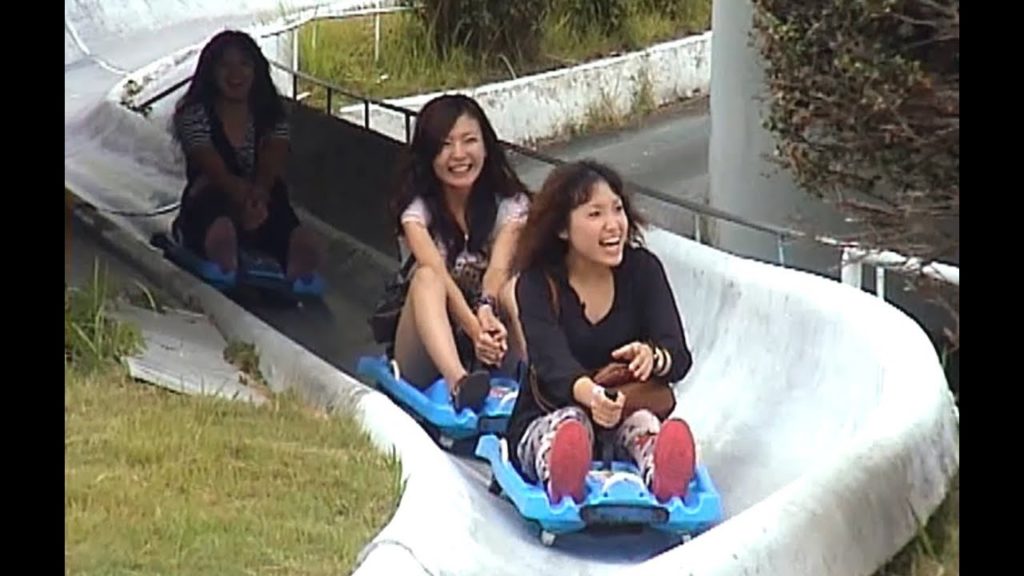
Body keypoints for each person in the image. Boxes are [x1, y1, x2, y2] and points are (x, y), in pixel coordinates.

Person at [504, 159, 697, 505]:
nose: (613, 225)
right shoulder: (537, 283)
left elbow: (678, 355)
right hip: (552, 411)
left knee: (643, 423)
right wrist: (593, 396)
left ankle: (665, 474)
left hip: (624, 410)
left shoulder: (643, 270)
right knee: (570, 426)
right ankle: (564, 473)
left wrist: (652, 357)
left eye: (617, 210)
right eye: (595, 214)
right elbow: (551, 364)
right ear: (563, 229)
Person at [386, 94, 532, 413]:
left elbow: (498, 269)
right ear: (428, 154)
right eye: (445, 144)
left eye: (469, 141)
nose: (459, 155)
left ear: (486, 146)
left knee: (516, 286)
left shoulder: (510, 206)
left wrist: (486, 312)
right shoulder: (416, 210)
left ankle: (541, 378)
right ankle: (460, 383)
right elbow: (438, 273)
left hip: (493, 340)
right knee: (426, 277)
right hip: (427, 347)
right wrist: (473, 329)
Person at [170, 30, 324, 281]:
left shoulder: (271, 115)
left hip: (258, 202)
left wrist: (258, 194)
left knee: (277, 199)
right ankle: (220, 242)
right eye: (225, 66)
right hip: (216, 194)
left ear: (256, 71)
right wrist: (241, 196)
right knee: (209, 194)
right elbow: (209, 163)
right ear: (211, 72)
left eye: (244, 64)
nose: (235, 74)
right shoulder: (195, 114)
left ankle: (295, 246)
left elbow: (273, 158)